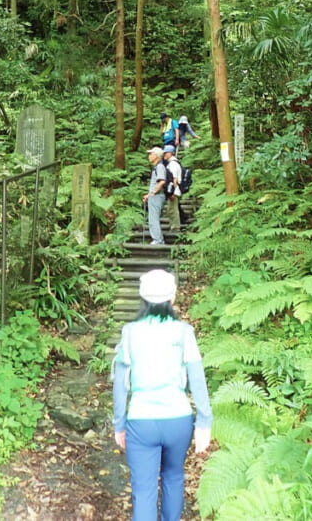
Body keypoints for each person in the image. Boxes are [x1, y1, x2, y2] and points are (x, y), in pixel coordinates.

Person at [112, 269, 213, 521]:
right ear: (173, 297)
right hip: (178, 421)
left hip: (141, 422)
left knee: (144, 491)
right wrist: (204, 421)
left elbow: (121, 383)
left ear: (142, 298)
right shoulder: (184, 331)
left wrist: (119, 423)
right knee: (174, 476)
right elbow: (197, 378)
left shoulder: (130, 332)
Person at [143, 147, 169, 245]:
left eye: (151, 154)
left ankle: (158, 240)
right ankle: (158, 239)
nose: (149, 156)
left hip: (157, 196)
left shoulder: (159, 167)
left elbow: (162, 181)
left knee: (153, 218)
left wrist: (153, 193)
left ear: (156, 156)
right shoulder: (157, 167)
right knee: (153, 218)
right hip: (155, 196)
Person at [162, 144, 184, 232]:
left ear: (170, 153)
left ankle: (175, 228)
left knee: (172, 210)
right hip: (175, 190)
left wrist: (172, 192)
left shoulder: (173, 164)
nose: (164, 155)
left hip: (174, 191)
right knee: (172, 209)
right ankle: (174, 226)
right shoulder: (173, 163)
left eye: (166, 153)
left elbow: (174, 179)